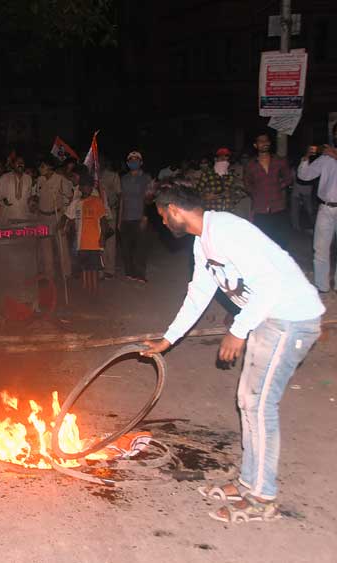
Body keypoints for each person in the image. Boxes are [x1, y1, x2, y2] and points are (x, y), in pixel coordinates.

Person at [143, 184, 324, 524]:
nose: (163, 224)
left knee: (260, 405)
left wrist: (238, 330)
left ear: (175, 210)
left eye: (163, 216)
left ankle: (262, 496)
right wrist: (168, 340)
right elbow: (199, 294)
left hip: (290, 319)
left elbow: (270, 284)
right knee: (248, 401)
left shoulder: (226, 230)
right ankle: (248, 483)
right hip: (268, 319)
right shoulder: (204, 242)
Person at [60, 167, 110, 296]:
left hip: (94, 242)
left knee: (93, 269)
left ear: (92, 187)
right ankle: (86, 290)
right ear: (80, 188)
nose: (87, 188)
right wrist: (62, 226)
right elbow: (68, 216)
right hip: (81, 242)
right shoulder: (76, 203)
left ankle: (94, 291)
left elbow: (103, 221)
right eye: (84, 186)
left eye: (89, 186)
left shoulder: (97, 201)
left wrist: (103, 237)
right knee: (85, 268)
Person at [297, 144, 337, 294]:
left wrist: (334, 155)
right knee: (320, 249)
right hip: (325, 207)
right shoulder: (326, 157)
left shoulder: (330, 155)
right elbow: (304, 176)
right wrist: (306, 158)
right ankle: (322, 286)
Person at [243, 131, 294, 249]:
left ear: (269, 143)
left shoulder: (279, 161)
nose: (264, 143)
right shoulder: (250, 165)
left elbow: (289, 178)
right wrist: (257, 193)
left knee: (281, 242)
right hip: (260, 210)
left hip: (278, 207)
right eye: (261, 141)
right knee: (262, 243)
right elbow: (247, 184)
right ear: (256, 145)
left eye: (266, 141)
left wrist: (277, 187)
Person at [31, 156, 74, 280]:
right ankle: (49, 274)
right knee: (45, 248)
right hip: (42, 217)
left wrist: (65, 215)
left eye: (42, 166)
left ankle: (66, 273)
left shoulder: (60, 180)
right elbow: (37, 196)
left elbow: (70, 197)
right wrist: (34, 203)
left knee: (62, 246)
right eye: (40, 166)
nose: (40, 169)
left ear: (50, 167)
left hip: (57, 216)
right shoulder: (39, 180)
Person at [119, 150, 154, 283]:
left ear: (141, 162)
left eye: (136, 160)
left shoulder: (146, 178)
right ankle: (129, 272)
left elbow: (149, 199)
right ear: (127, 163)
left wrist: (145, 216)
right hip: (126, 217)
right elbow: (122, 199)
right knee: (126, 248)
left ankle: (140, 274)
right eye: (131, 160)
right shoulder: (124, 179)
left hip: (140, 216)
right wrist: (119, 219)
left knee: (140, 247)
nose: (133, 162)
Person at [195, 148, 244, 213]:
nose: (224, 159)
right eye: (221, 157)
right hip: (212, 212)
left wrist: (233, 196)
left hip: (228, 213)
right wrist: (205, 197)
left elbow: (241, 193)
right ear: (215, 159)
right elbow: (196, 193)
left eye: (226, 156)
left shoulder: (232, 175)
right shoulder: (207, 174)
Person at [99, 157, 121, 279]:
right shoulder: (95, 177)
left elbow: (119, 196)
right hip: (97, 214)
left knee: (110, 241)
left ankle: (110, 269)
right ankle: (100, 268)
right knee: (99, 241)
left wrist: (112, 207)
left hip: (110, 213)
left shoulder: (113, 176)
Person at [0, 156, 33, 223]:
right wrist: (4, 200)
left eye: (22, 162)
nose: (20, 164)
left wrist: (31, 203)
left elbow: (29, 196)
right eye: (18, 162)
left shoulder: (28, 178)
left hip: (23, 216)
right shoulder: (5, 177)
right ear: (13, 165)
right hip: (8, 216)